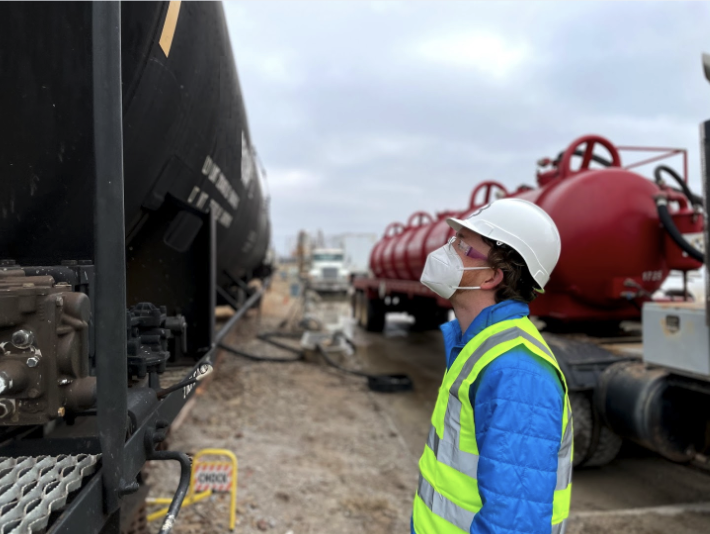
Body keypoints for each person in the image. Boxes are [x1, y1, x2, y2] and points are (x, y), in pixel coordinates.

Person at [412, 198, 572, 534]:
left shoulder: (516, 373)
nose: (446, 250)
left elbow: (515, 525)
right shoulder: (478, 344)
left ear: (491, 277)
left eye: (461, 245)